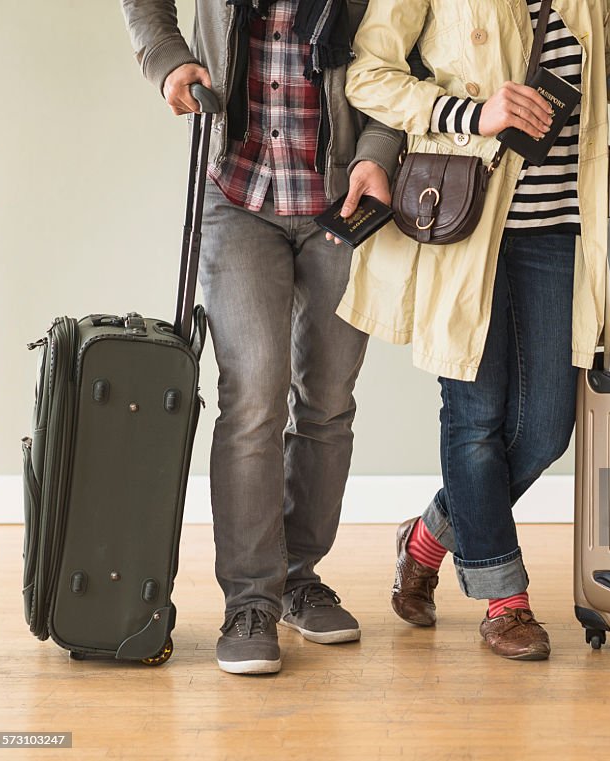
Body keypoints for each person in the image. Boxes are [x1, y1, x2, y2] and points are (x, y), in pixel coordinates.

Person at [336, 0, 610, 659]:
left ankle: (428, 537)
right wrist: (473, 113)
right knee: (475, 416)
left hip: (563, 225)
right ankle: (504, 600)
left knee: (547, 427)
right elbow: (367, 73)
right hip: (467, 216)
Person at [121, 0, 403, 675]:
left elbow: (408, 40)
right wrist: (166, 60)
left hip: (345, 194)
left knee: (329, 401)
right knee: (251, 397)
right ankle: (250, 599)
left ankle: (298, 578)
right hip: (239, 189)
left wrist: (378, 150)